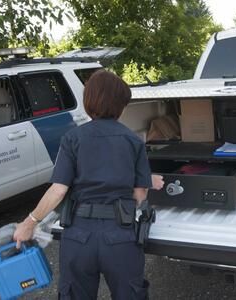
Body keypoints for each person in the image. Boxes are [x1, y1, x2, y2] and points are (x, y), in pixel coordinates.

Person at [13, 70, 164, 299]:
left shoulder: (73, 138)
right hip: (120, 236)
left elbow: (58, 190)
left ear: (88, 101)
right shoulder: (133, 140)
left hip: (78, 236)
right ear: (121, 106)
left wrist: (29, 222)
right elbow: (140, 194)